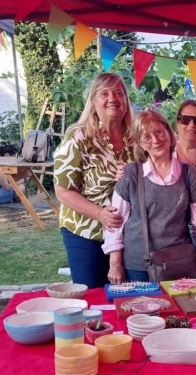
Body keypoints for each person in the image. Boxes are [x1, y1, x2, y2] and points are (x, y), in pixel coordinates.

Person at [102, 110, 196, 283]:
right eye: (146, 137)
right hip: (138, 265)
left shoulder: (189, 174)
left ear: (169, 132)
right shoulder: (131, 173)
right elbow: (116, 222)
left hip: (179, 262)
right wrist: (115, 262)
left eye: (159, 132)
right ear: (140, 143)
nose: (155, 140)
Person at [54, 73, 134, 288]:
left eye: (119, 93)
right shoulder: (78, 136)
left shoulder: (136, 137)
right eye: (104, 93)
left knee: (127, 296)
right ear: (93, 100)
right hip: (86, 231)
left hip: (127, 234)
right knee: (92, 295)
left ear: (126, 100)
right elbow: (62, 191)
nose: (112, 99)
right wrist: (99, 213)